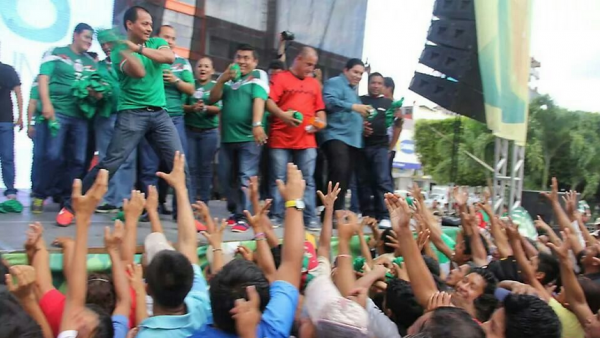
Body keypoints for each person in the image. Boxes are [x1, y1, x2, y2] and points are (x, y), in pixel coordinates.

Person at [55, 6, 191, 226]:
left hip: (159, 115)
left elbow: (168, 57)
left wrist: (138, 48)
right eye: (144, 23)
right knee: (110, 163)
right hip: (132, 115)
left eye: (150, 24)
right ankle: (71, 207)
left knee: (179, 163)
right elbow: (139, 72)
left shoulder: (156, 43)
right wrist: (128, 49)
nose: (149, 27)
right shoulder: (119, 53)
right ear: (130, 24)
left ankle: (188, 216)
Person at [197, 163, 305, 337]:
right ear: (262, 311)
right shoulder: (272, 330)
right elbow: (291, 263)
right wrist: (294, 201)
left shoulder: (194, 329)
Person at [32, 23, 97, 214]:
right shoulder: (55, 52)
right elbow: (43, 79)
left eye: (91, 39)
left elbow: (96, 86)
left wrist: (95, 93)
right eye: (86, 37)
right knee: (52, 156)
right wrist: (47, 104)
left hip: (80, 117)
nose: (89, 42)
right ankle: (40, 194)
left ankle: (67, 200)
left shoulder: (91, 63)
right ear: (75, 35)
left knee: (77, 160)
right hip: (58, 113)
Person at [208, 44, 268, 233]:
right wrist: (222, 79)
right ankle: (236, 212)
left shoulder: (258, 75)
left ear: (255, 61)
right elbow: (212, 98)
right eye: (239, 57)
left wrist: (257, 124)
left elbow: (259, 99)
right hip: (227, 138)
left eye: (246, 58)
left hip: (249, 137)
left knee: (245, 177)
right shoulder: (228, 77)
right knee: (226, 178)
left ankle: (246, 216)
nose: (241, 61)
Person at [265, 47, 326, 230]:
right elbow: (268, 102)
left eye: (313, 65)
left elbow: (320, 109)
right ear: (298, 59)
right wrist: (283, 115)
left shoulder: (314, 84)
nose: (310, 68)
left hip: (307, 139)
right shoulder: (281, 78)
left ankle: (309, 218)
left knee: (307, 179)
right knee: (278, 178)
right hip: (281, 137)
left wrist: (321, 121)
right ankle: (276, 215)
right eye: (308, 64)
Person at [138, 24, 195, 218]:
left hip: (175, 118)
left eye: (172, 38)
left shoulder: (182, 62)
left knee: (179, 165)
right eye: (166, 37)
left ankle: (182, 211)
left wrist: (175, 81)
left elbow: (191, 89)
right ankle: (149, 209)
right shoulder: (146, 57)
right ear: (157, 38)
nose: (169, 41)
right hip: (150, 116)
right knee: (149, 166)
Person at [94, 28, 137, 214]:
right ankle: (109, 199)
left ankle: (124, 200)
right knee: (106, 158)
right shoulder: (100, 66)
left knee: (126, 158)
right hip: (105, 116)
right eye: (102, 44)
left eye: (108, 43)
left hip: (127, 115)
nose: (106, 47)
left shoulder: (128, 61)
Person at [320, 58, 371, 212]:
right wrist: (354, 107)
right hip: (336, 136)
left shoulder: (352, 90)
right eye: (355, 72)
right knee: (338, 173)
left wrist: (363, 125)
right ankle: (329, 211)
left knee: (345, 179)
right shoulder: (335, 82)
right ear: (345, 70)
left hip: (353, 140)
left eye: (361, 74)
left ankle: (337, 211)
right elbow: (328, 102)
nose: (358, 76)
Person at [183, 56, 221, 206]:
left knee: (205, 168)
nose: (203, 69)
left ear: (212, 70)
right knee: (190, 168)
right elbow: (182, 106)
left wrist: (205, 108)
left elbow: (218, 108)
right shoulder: (190, 85)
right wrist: (192, 108)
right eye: (200, 66)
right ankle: (190, 203)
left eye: (206, 66)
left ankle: (203, 203)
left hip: (209, 133)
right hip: (190, 131)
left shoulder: (215, 86)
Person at [358, 72, 394, 228]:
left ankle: (385, 215)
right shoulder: (360, 101)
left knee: (382, 180)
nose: (376, 86)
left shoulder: (389, 103)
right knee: (363, 182)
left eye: (379, 83)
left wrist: (391, 147)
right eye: (373, 82)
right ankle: (367, 214)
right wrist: (361, 128)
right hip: (362, 146)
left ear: (383, 85)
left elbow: (396, 125)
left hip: (380, 147)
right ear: (368, 83)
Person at [0, 58, 23, 200]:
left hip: (5, 120)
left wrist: (21, 116)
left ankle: (10, 189)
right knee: (7, 157)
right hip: (6, 121)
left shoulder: (8, 70)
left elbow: (18, 93)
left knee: (7, 156)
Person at [383, 76, 402, 182]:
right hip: (378, 144)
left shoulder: (396, 107)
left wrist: (390, 148)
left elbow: (398, 129)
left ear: (389, 88)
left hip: (388, 146)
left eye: (382, 85)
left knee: (385, 176)